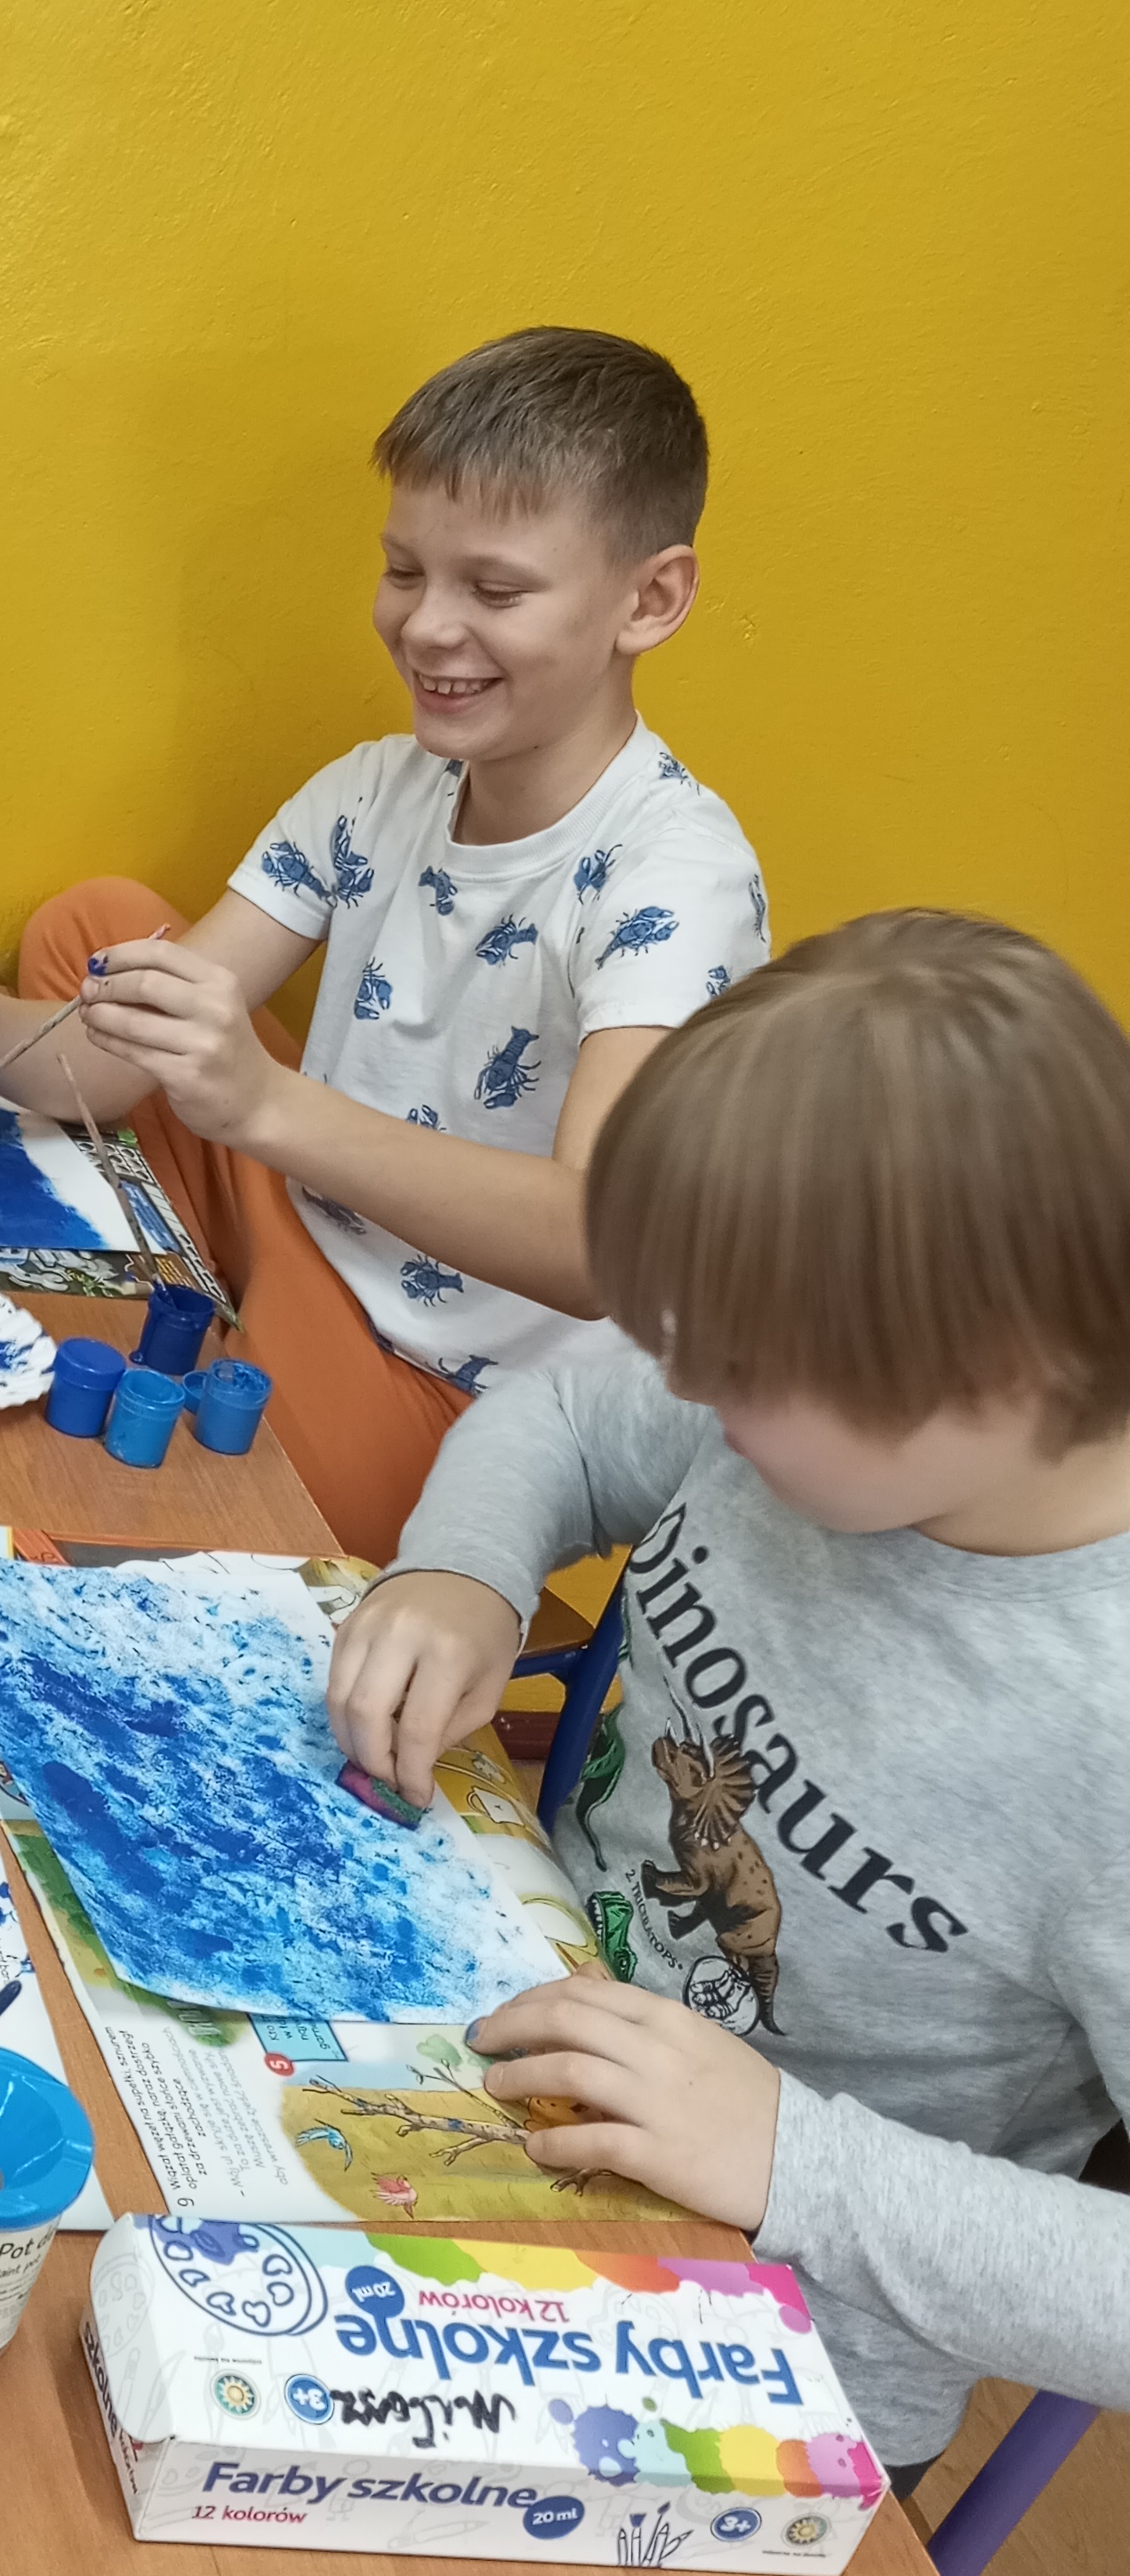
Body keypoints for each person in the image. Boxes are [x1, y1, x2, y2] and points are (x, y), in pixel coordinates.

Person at [328, 910, 1130, 2481]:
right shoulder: (821, 1371)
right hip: (493, 2032)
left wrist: (793, 2162)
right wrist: (467, 1570)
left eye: (739, 1368)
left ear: (1003, 1375)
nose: (691, 1389)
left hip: (753, 2350)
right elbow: (567, 1411)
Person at [0, 329, 770, 1559]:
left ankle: (227, 1330)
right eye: (404, 571)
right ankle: (225, 1299)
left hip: (445, 1380)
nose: (428, 628)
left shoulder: (677, 876)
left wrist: (265, 1107)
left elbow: (601, 1249)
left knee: (151, 1518)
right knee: (101, 927)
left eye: (495, 591)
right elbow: (109, 1066)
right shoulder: (378, 786)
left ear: (650, 600)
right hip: (305, 1216)